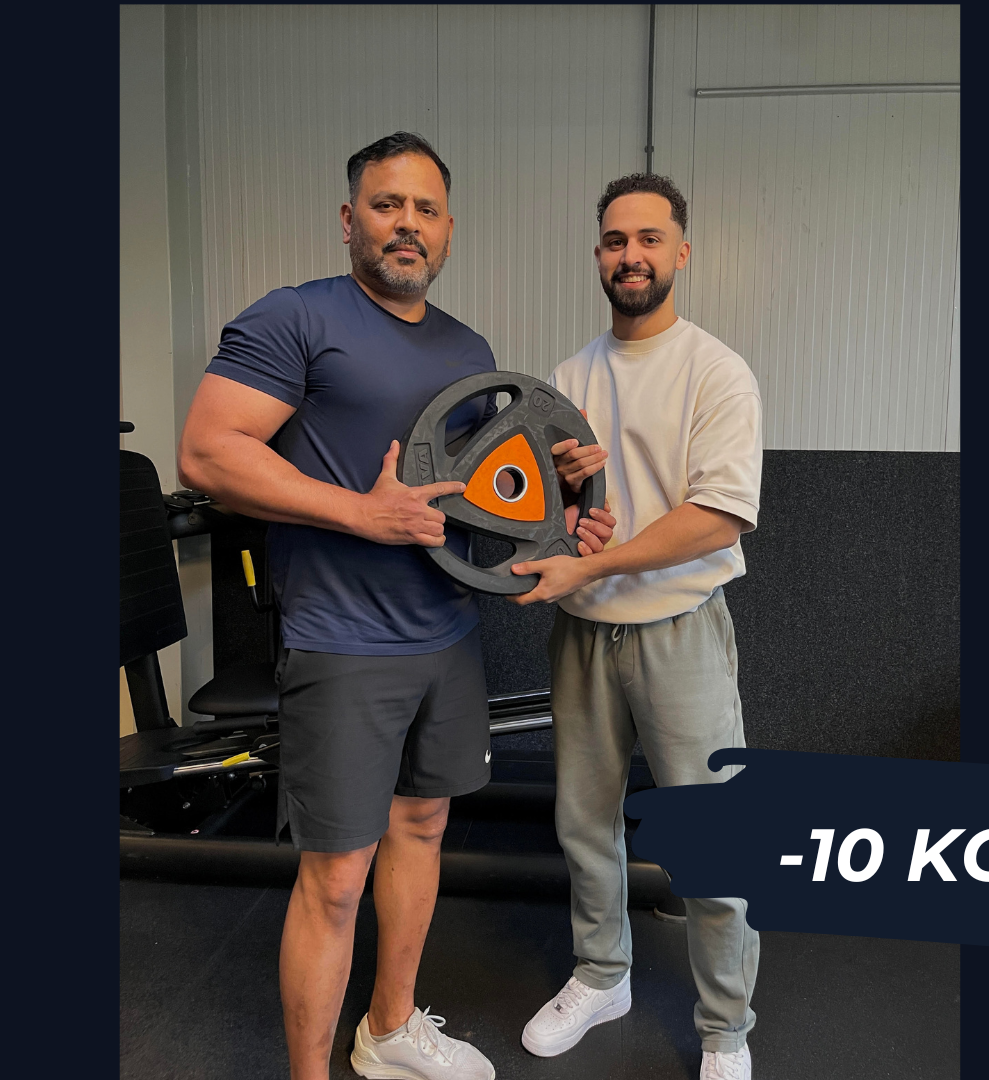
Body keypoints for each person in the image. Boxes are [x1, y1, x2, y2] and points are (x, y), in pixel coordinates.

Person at [177, 131, 614, 1080]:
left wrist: (566, 496)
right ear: (350, 220)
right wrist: (359, 514)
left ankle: (388, 1031)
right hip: (342, 639)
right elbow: (209, 451)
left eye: (425, 209)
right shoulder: (295, 317)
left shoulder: (469, 350)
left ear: (448, 229)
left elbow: (474, 502)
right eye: (387, 205)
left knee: (422, 830)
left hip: (447, 631)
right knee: (336, 876)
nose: (406, 224)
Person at [510, 173, 763, 1080]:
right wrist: (567, 505)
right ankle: (601, 975)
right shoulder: (569, 378)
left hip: (679, 631)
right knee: (584, 824)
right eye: (617, 240)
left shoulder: (716, 371)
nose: (632, 255)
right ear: (598, 255)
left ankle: (725, 1030)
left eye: (650, 239)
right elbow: (550, 518)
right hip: (584, 634)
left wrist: (593, 562)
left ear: (680, 252)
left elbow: (717, 518)